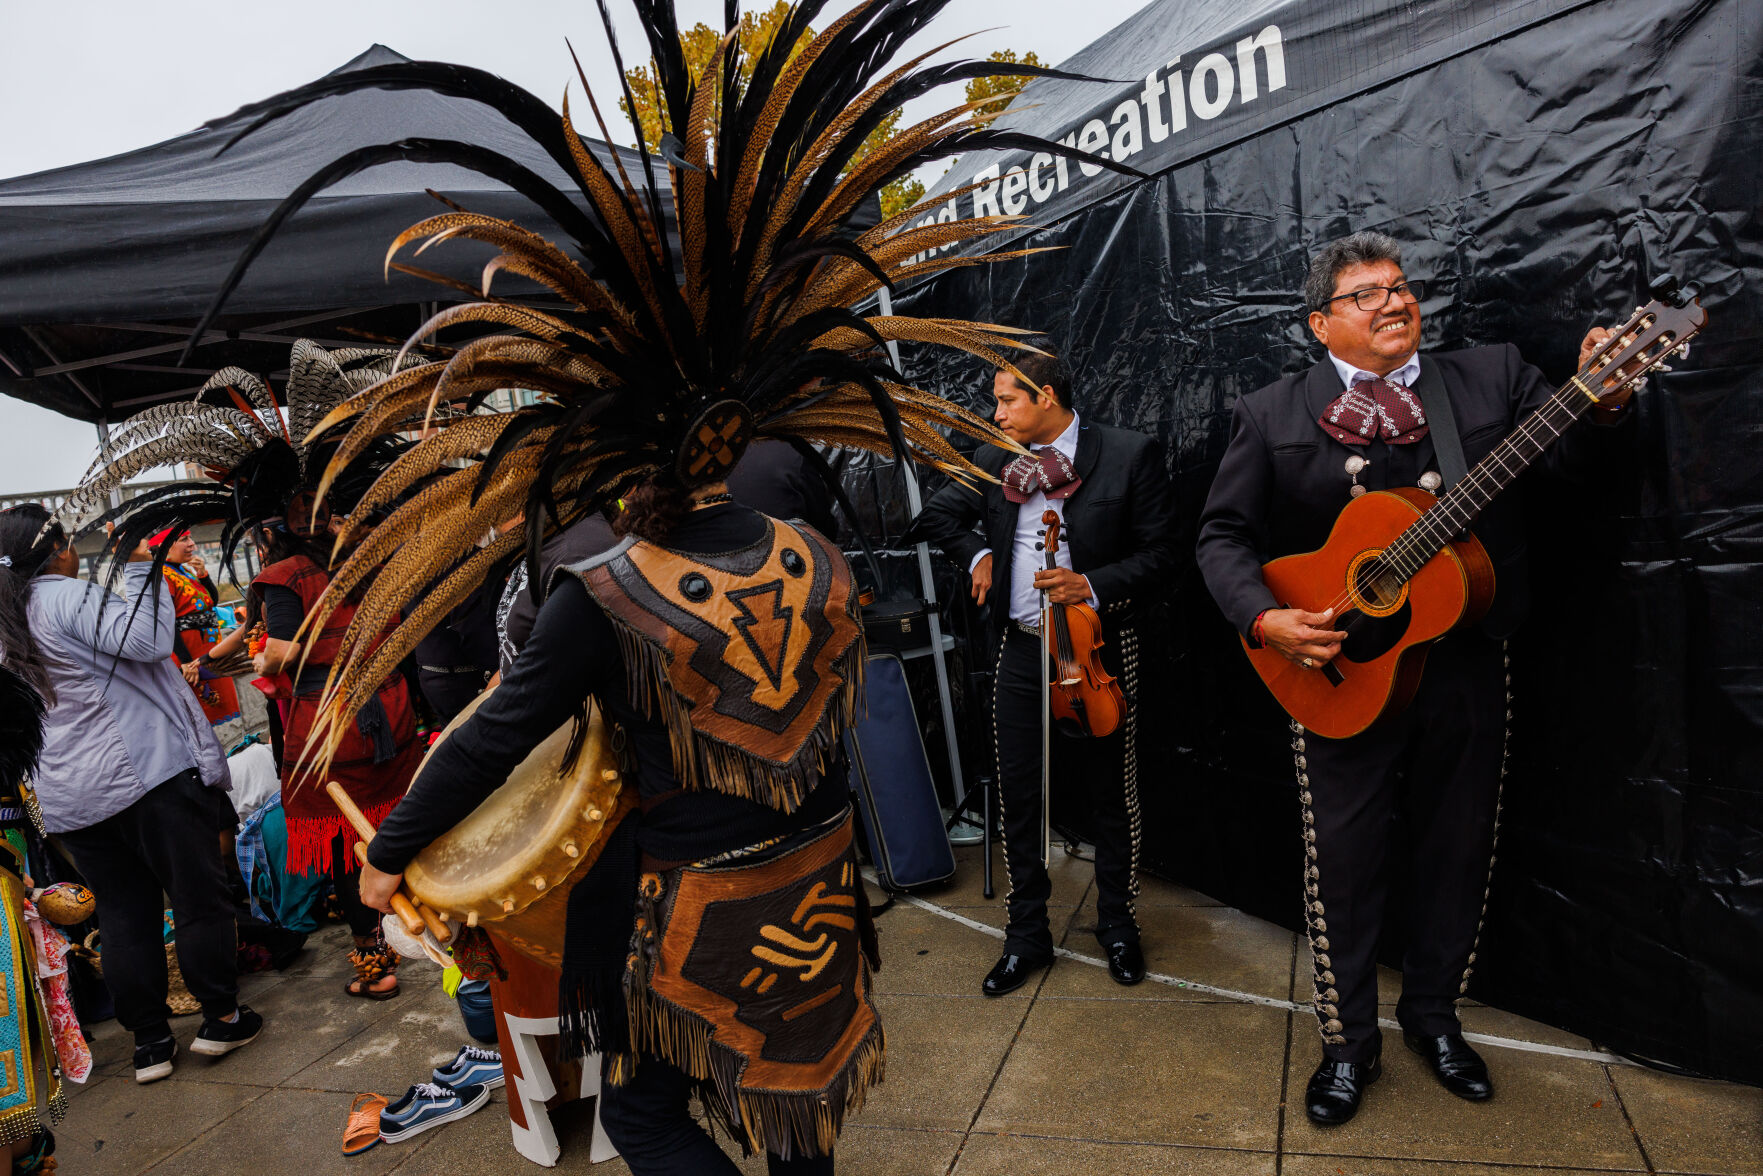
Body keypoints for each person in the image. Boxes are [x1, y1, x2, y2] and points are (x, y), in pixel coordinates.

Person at [1195, 230, 1635, 1124]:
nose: (1394, 302)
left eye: (1399, 287)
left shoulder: (1489, 376)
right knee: (1347, 868)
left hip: (1463, 666)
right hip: (1335, 671)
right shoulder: (1270, 414)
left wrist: (1601, 403)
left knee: (1455, 848)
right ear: (1321, 322)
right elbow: (1220, 538)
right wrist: (1264, 617)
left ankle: (1432, 1018)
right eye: (1366, 293)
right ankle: (1347, 1045)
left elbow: (1573, 473)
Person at [912, 340, 1177, 995]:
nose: (996, 413)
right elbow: (938, 515)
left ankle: (1117, 926)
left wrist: (1089, 583)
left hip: (1097, 649)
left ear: (1045, 398)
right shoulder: (992, 457)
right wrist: (977, 557)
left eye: (1006, 400)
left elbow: (1164, 553)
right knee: (1019, 793)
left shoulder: (1125, 454)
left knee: (1110, 793)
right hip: (1023, 648)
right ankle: (1025, 935)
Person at [2, 505, 262, 1086]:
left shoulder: (6, 620)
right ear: (59, 551)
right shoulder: (62, 596)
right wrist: (144, 566)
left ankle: (150, 1043)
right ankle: (222, 1016)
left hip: (71, 799)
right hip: (146, 777)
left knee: (123, 915)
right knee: (197, 897)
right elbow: (147, 639)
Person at [248, 494, 423, 1000]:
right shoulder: (364, 557)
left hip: (333, 725)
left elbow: (283, 652)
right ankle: (434, 926)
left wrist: (262, 664)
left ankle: (377, 966)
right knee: (400, 820)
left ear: (270, 533)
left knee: (348, 847)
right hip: (391, 706)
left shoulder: (285, 573)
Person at [154, 527, 241, 729]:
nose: (192, 544)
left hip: (209, 651)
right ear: (165, 545)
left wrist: (203, 575)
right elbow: (167, 622)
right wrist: (185, 662)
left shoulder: (183, 570)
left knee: (220, 708)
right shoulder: (162, 575)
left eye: (191, 538)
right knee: (204, 714)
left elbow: (211, 602)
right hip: (191, 657)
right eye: (184, 539)